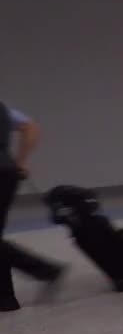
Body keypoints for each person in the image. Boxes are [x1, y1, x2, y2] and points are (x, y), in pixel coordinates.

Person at [0, 102, 63, 312]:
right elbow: (30, 126)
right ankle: (5, 299)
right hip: (7, 172)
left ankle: (44, 270)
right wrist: (21, 161)